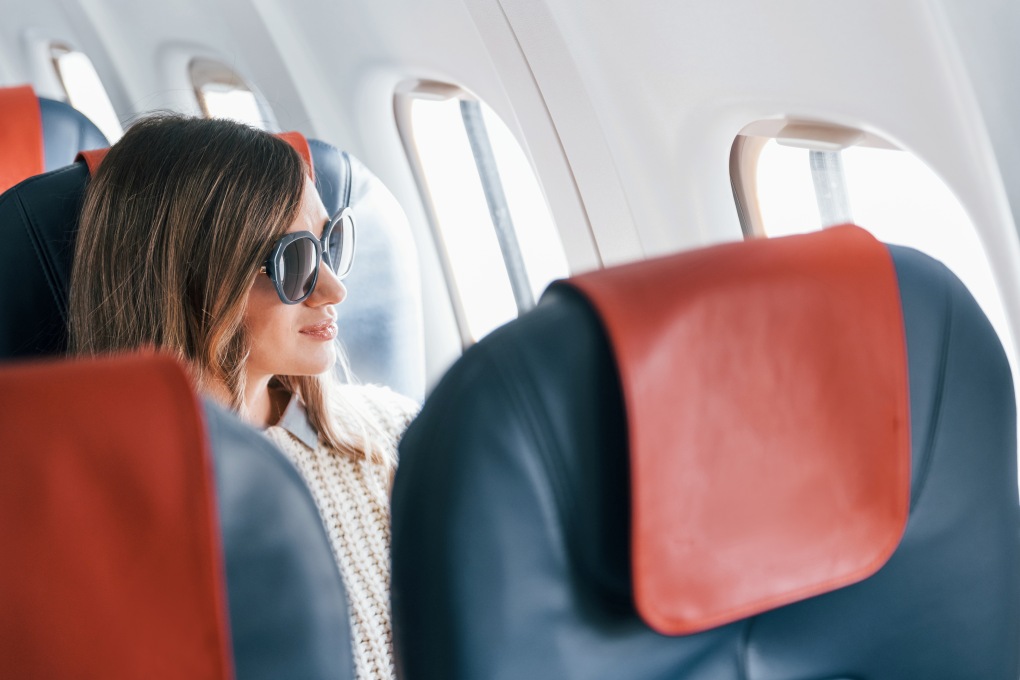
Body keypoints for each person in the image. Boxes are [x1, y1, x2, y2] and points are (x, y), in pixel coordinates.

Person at [68, 114, 417, 680]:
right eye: (296, 262)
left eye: (329, 244)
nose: (335, 289)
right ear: (193, 284)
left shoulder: (400, 435)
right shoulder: (99, 525)